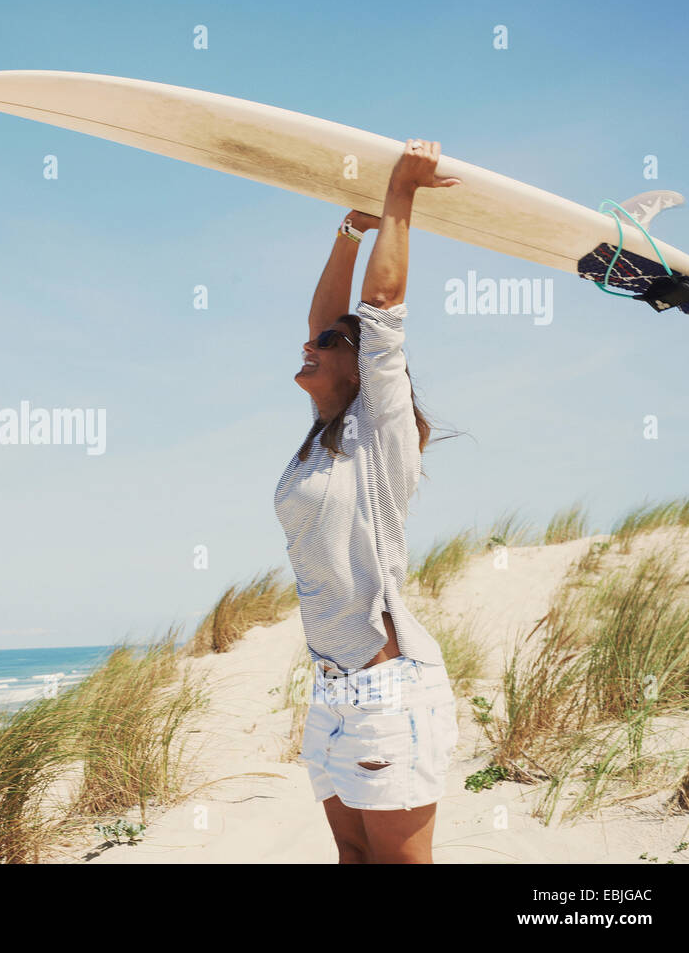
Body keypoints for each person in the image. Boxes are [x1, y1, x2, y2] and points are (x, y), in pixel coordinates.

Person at [273, 139, 462, 863]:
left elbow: (378, 308)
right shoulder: (325, 433)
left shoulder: (375, 432)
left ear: (363, 369)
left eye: (329, 343)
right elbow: (331, 316)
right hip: (330, 693)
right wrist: (347, 233)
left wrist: (399, 194)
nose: (311, 345)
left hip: (387, 690)